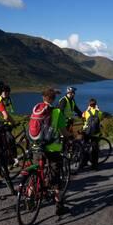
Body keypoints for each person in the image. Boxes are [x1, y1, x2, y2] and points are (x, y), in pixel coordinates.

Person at [32, 87, 72, 215]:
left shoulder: (37, 109)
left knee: (36, 171)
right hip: (52, 149)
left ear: (43, 98)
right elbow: (63, 131)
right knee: (56, 178)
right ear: (53, 99)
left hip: (36, 146)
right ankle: (59, 206)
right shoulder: (57, 112)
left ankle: (29, 195)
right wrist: (70, 137)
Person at [81, 98, 103, 170]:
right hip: (95, 133)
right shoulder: (99, 113)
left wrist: (87, 109)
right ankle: (94, 165)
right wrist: (98, 110)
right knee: (95, 149)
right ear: (95, 105)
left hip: (87, 132)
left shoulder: (86, 112)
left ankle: (84, 162)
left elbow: (82, 116)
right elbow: (101, 119)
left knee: (85, 147)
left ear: (89, 105)